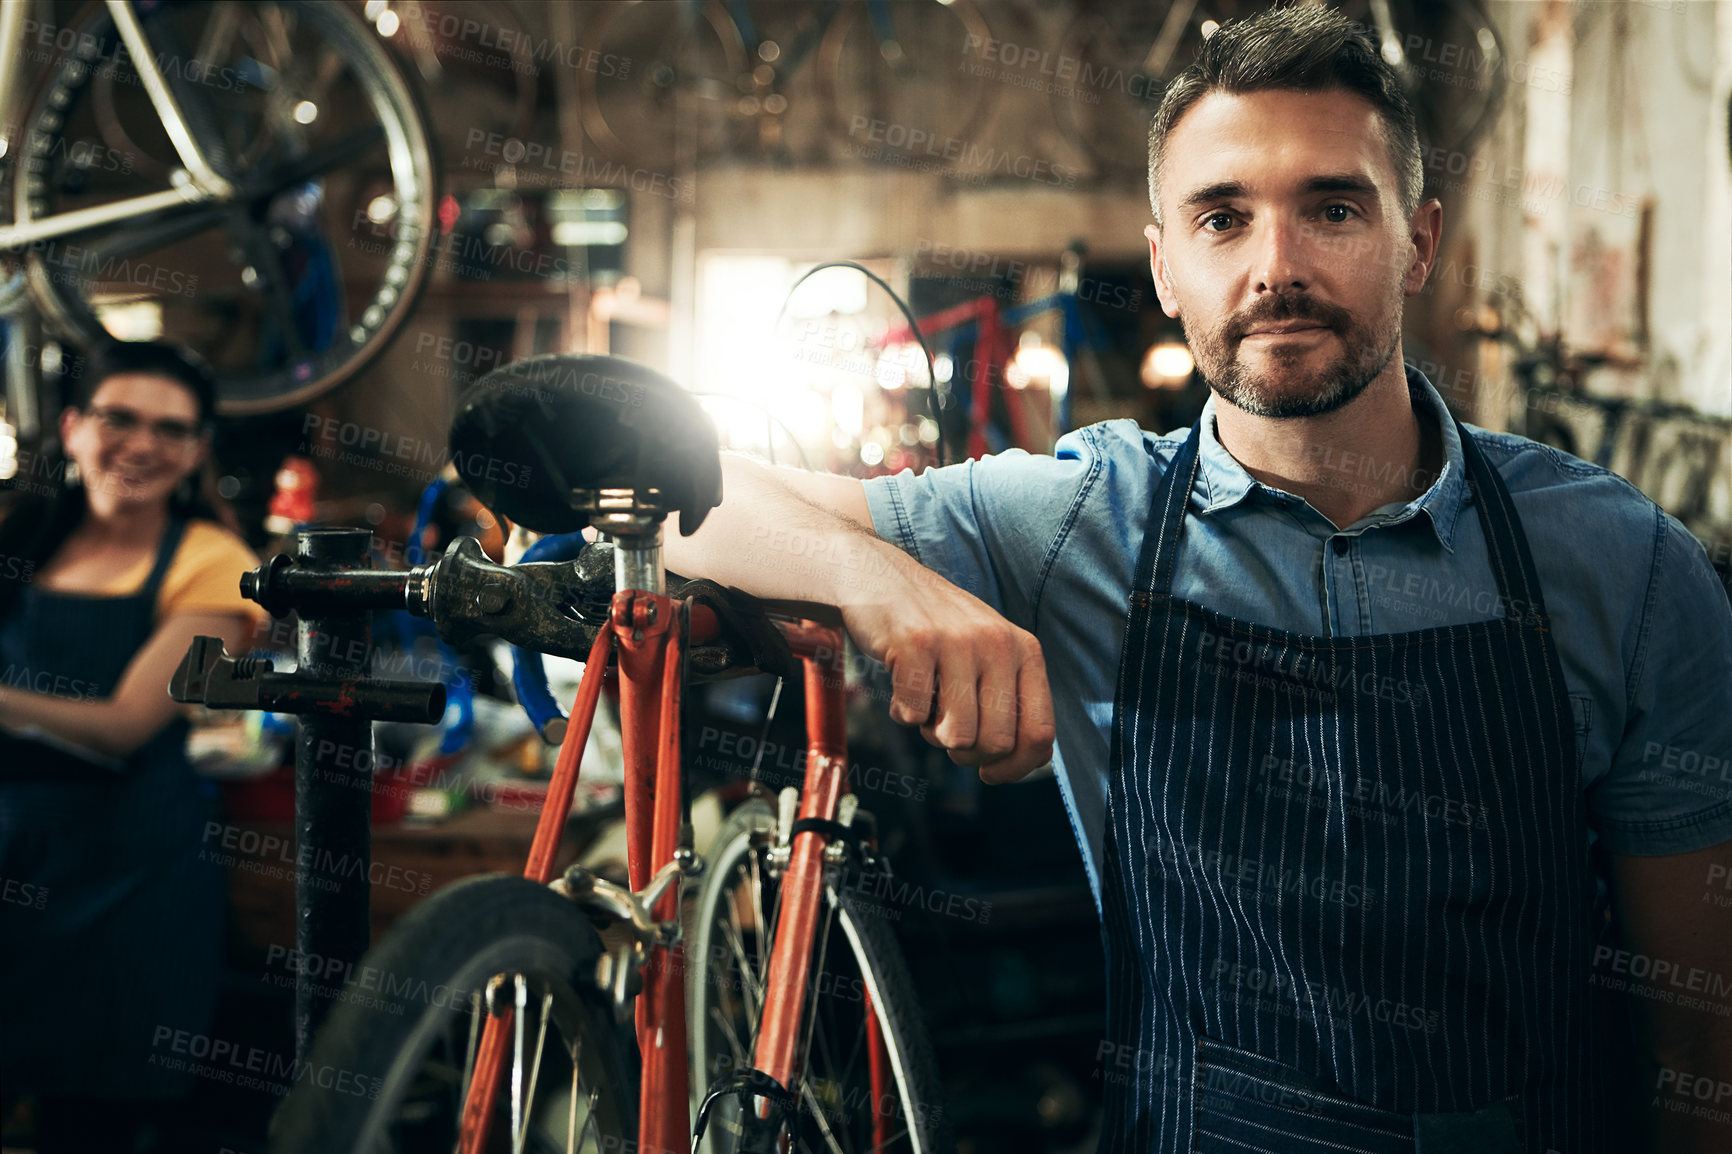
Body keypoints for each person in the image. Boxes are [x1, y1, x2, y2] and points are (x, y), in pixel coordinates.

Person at [664, 7, 1732, 1153]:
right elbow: (681, 493)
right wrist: (879, 579)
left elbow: (1699, 1049)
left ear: (1417, 242)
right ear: (1166, 264)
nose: (1276, 267)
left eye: (1332, 207)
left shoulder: (1624, 565)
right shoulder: (1086, 519)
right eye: (1223, 218)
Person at [0, 340, 263, 1151]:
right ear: (74, 428)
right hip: (11, 854)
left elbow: (124, 722)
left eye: (171, 429)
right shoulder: (21, 536)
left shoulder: (215, 563)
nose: (142, 444)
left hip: (127, 879)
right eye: (119, 418)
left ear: (195, 451)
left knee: (92, 1120)